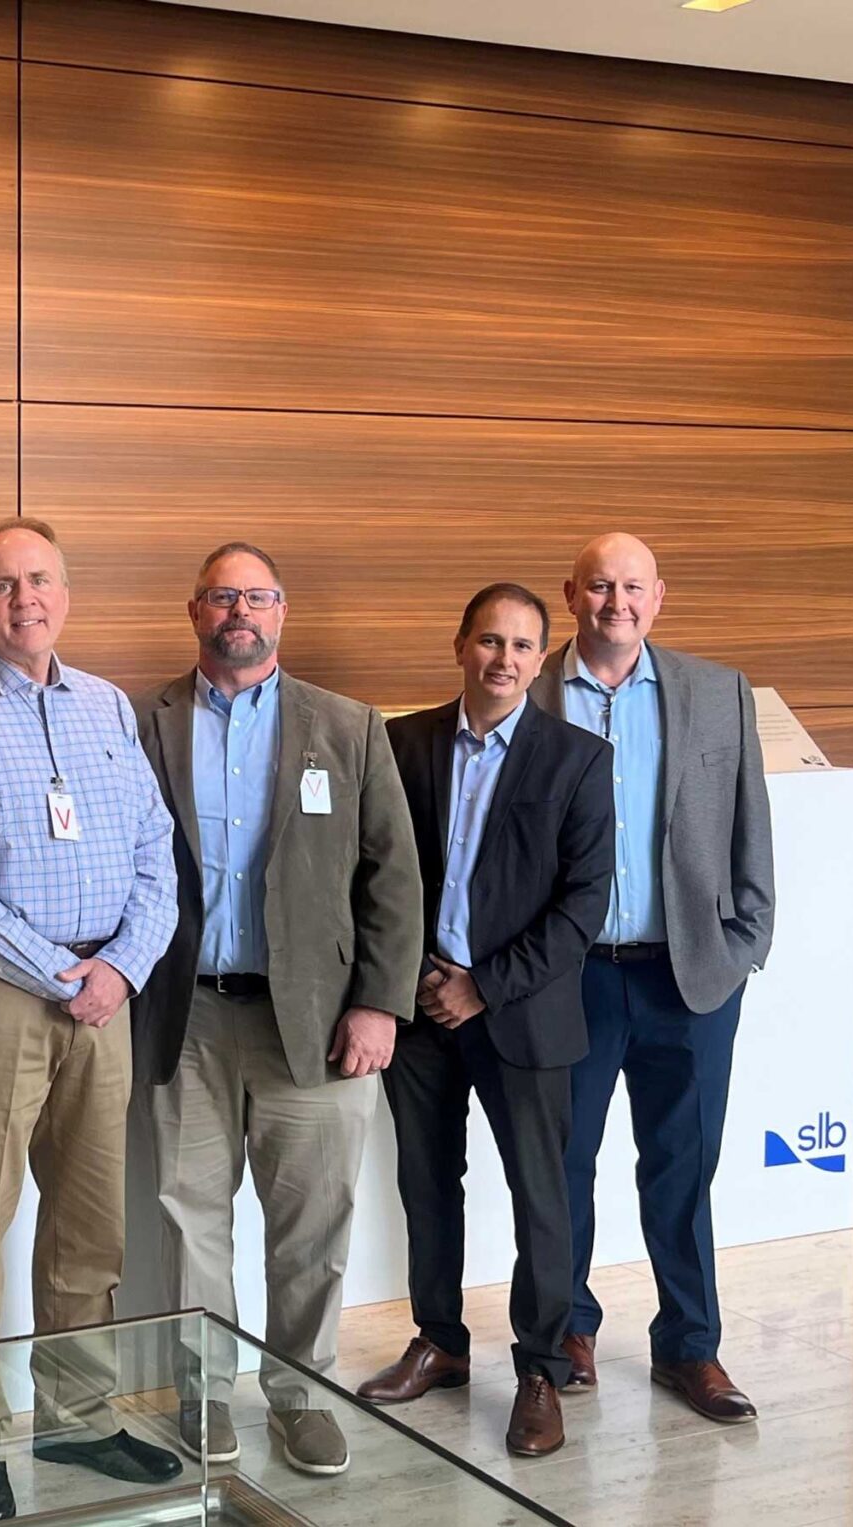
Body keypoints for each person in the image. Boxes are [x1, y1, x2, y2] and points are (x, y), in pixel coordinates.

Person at [0, 518, 182, 1525]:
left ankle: (79, 1414)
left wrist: (120, 970)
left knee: (88, 1225)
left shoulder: (106, 706)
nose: (26, 598)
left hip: (105, 997)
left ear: (67, 591)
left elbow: (157, 848)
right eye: (3, 583)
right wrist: (62, 972)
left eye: (41, 580)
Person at [131, 542, 420, 1477]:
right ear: (195, 611)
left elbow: (394, 882)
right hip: (188, 1018)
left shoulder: (349, 727)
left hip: (320, 1023)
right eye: (223, 597)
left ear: (282, 612)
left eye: (256, 597)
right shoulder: (143, 722)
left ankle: (303, 1395)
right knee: (189, 1221)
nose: (239, 613)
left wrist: (379, 1004)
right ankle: (206, 1395)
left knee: (312, 1227)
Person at [357, 583, 613, 1460]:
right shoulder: (403, 742)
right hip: (421, 1012)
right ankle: (441, 1341)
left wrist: (485, 985)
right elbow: (379, 877)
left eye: (521, 645)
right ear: (459, 644)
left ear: (541, 657)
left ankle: (541, 1368)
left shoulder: (578, 758)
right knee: (427, 1184)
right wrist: (420, 981)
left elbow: (584, 905)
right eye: (489, 641)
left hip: (523, 1016)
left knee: (542, 1197)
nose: (503, 659)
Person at [536, 532, 775, 1424]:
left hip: (691, 976)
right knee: (562, 1163)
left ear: (659, 596)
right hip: (570, 978)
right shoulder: (530, 691)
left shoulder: (718, 693)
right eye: (599, 586)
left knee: (683, 1162)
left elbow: (751, 822)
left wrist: (745, 939)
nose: (616, 603)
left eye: (632, 587)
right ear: (571, 594)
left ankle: (691, 1346)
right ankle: (567, 1328)